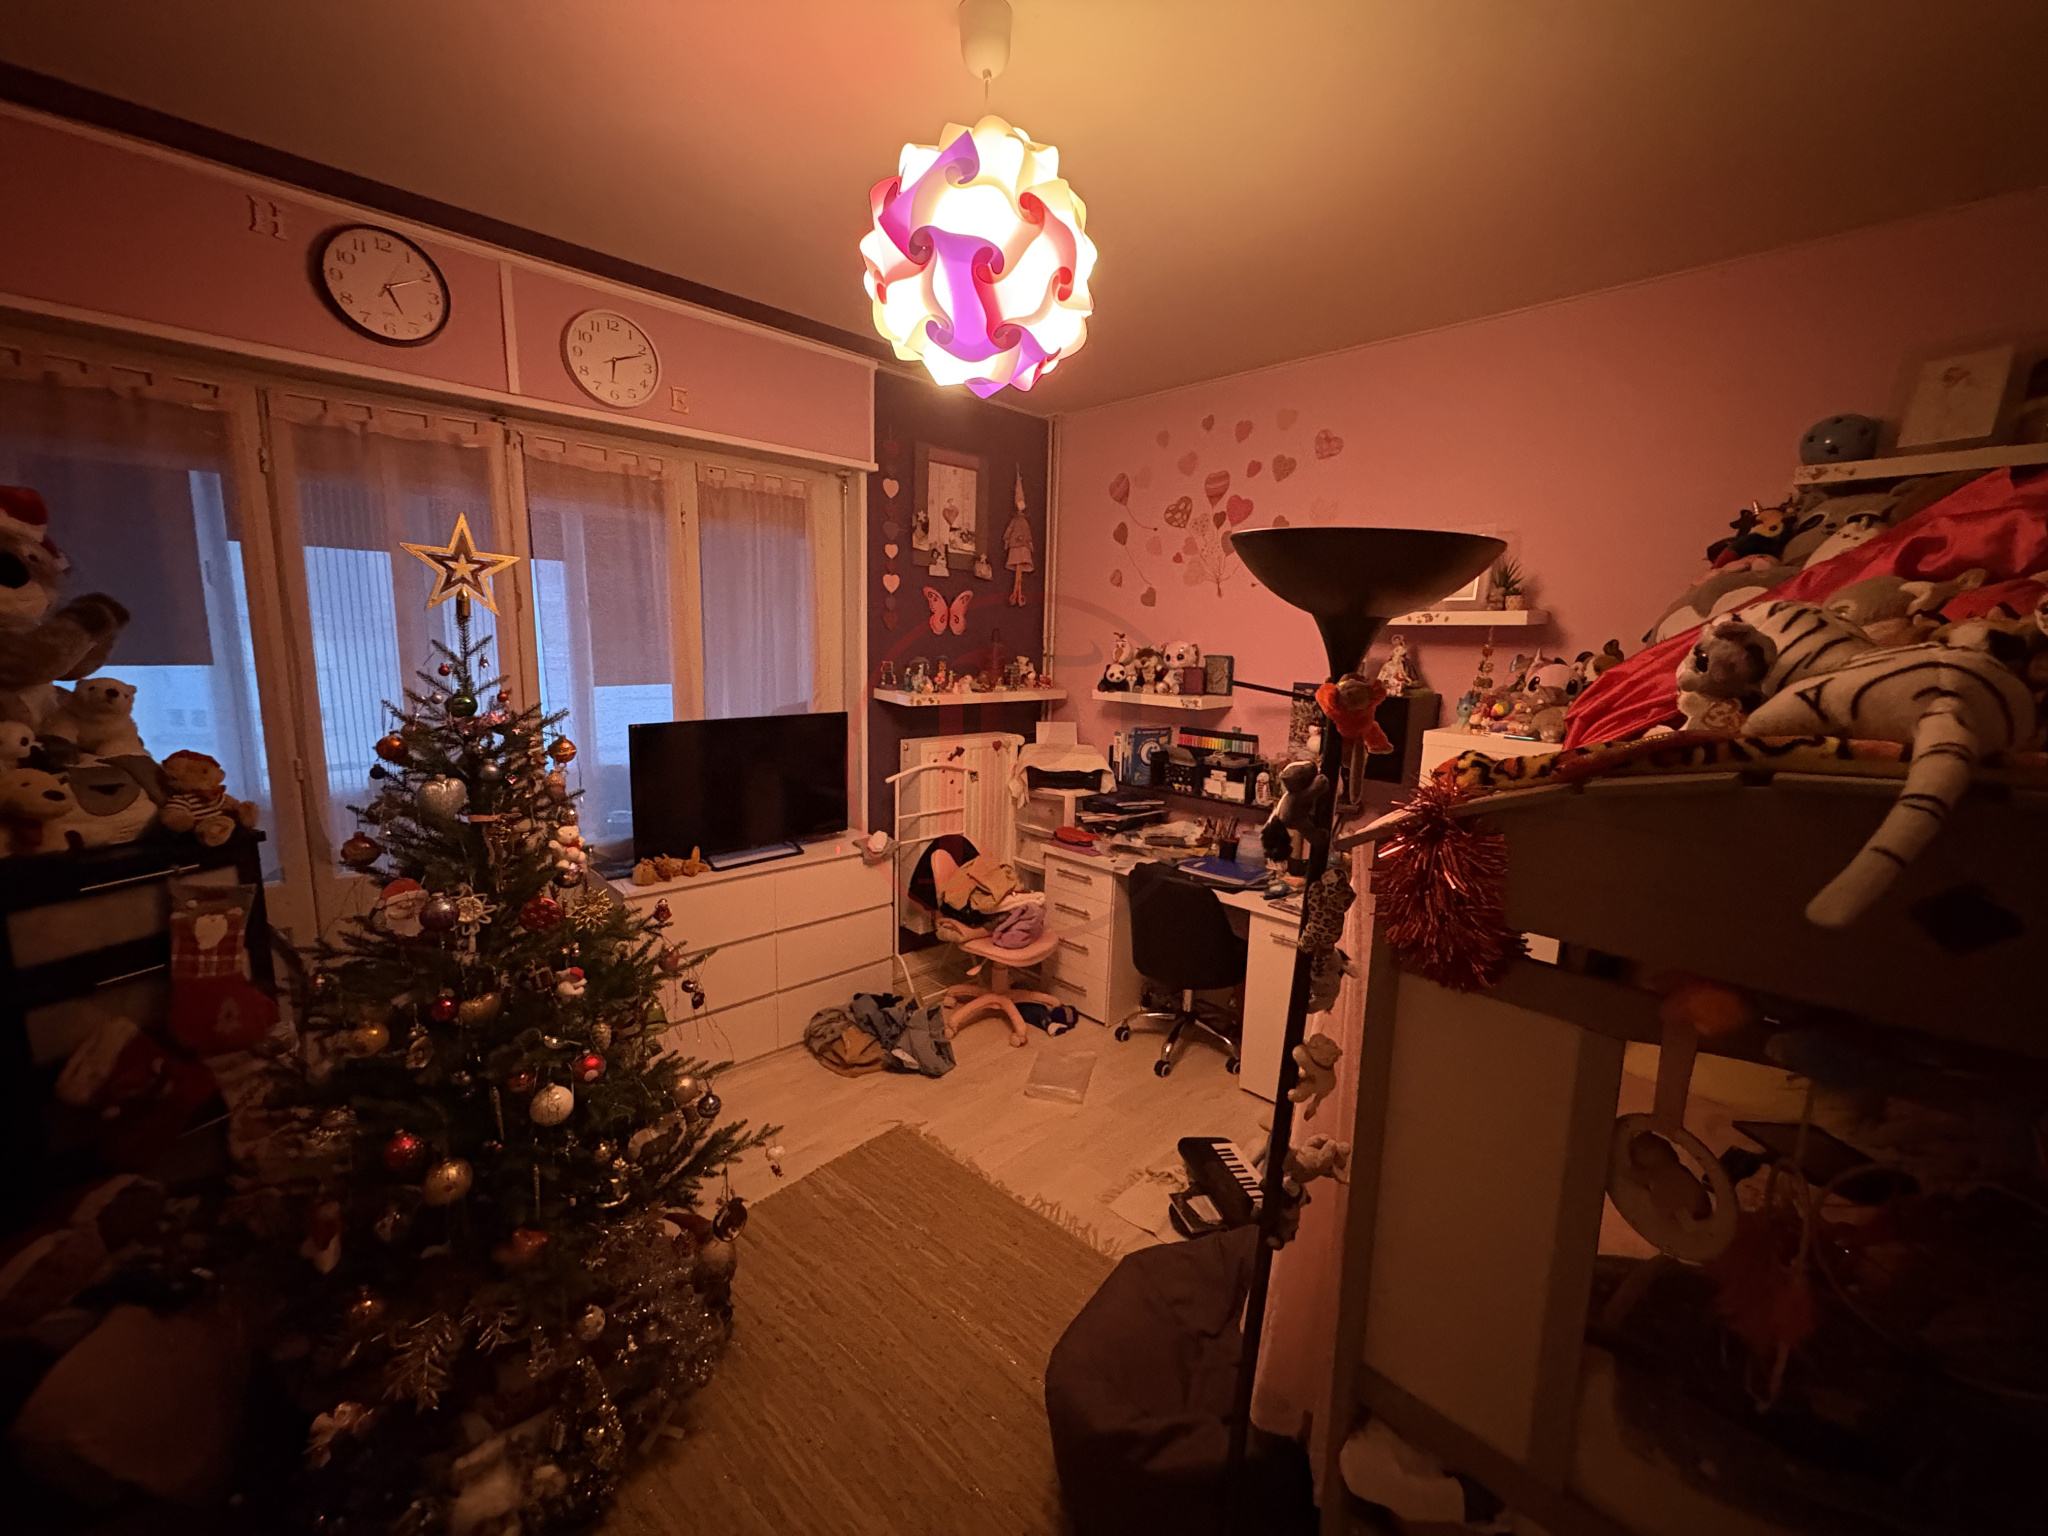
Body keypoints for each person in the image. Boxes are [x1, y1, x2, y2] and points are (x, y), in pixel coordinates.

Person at [1004, 467, 1036, 606]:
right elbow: (1009, 531)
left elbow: (1027, 534)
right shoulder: (1015, 522)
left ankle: (1018, 593)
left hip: (1022, 547)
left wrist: (1029, 544)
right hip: (1017, 547)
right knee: (1018, 572)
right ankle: (1016, 593)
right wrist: (1007, 540)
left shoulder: (1024, 523)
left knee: (1019, 572)